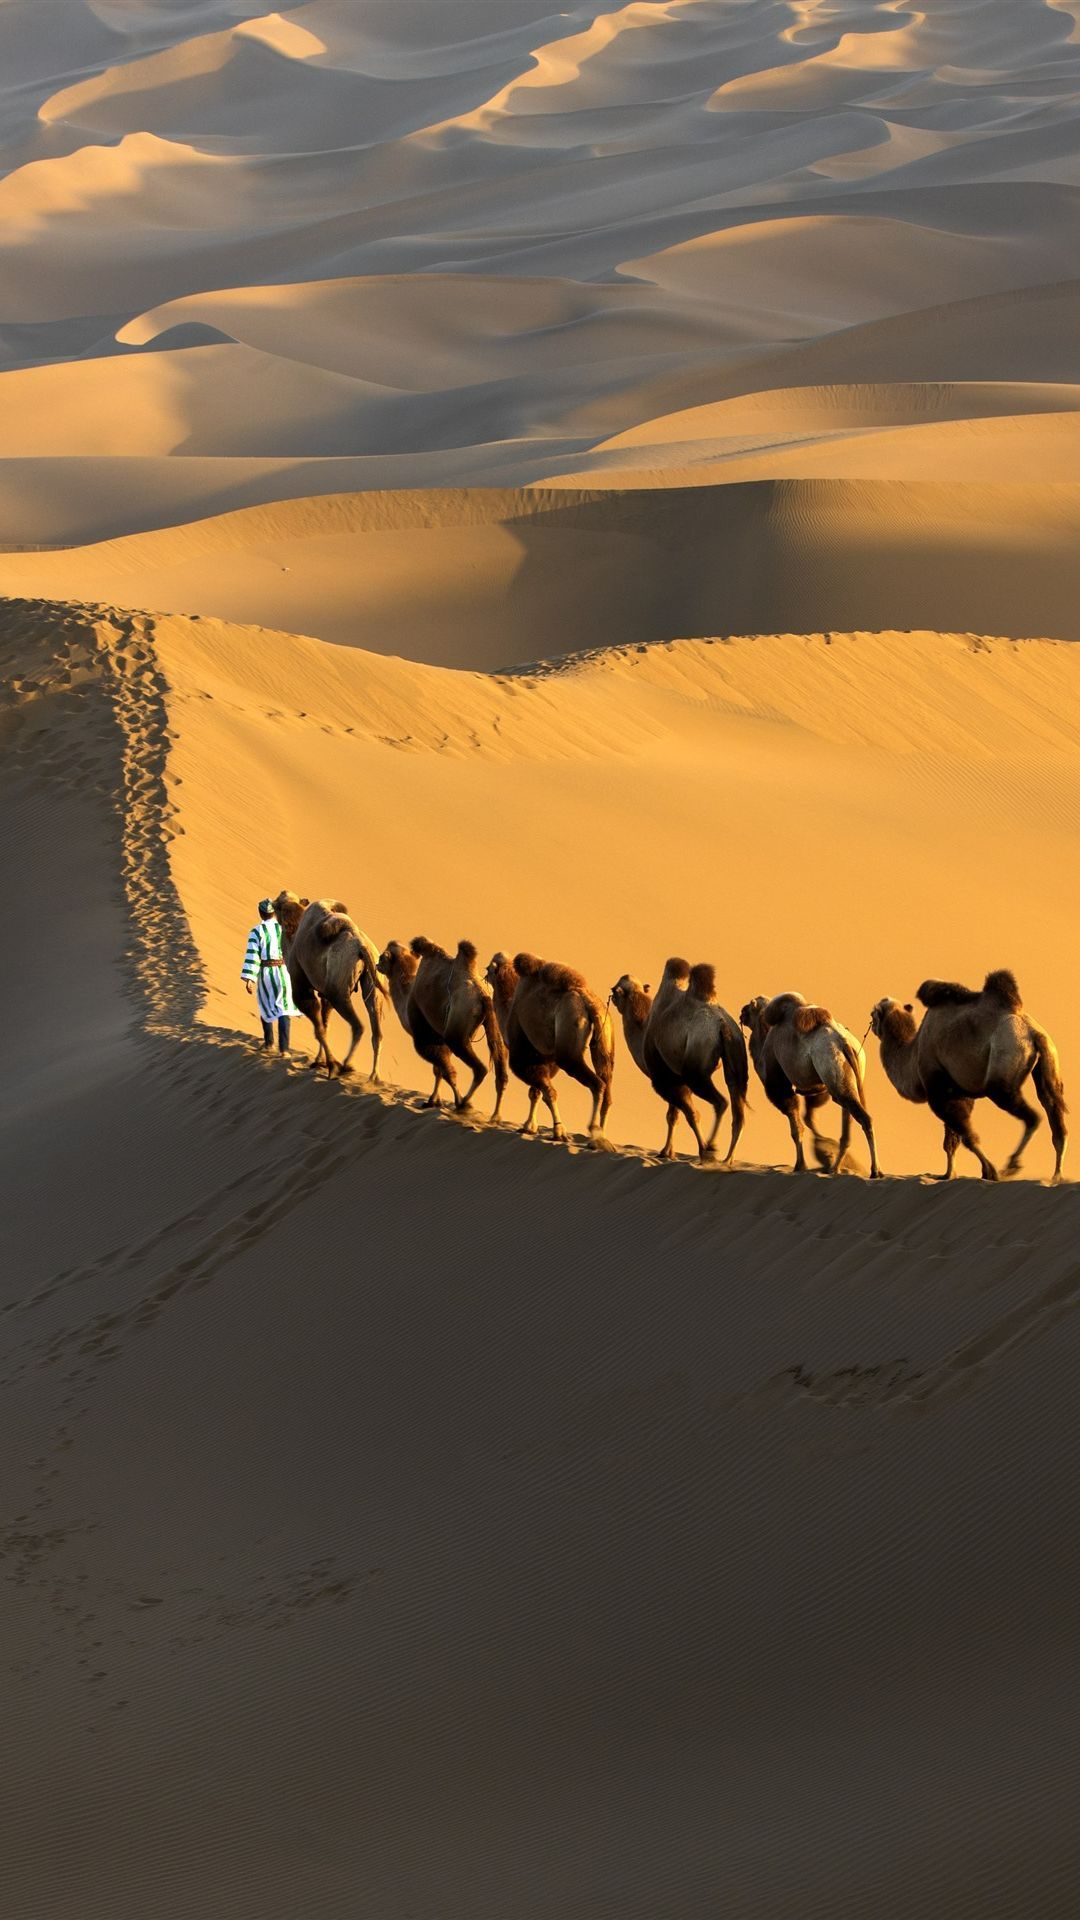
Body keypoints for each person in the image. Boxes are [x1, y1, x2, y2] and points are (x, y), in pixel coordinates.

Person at [242, 897, 299, 1055]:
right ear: (275, 913)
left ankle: (268, 1044)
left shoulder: (256, 931)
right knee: (284, 1009)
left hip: (266, 973)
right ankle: (284, 1050)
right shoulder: (285, 928)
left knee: (265, 1006)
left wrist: (250, 979)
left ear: (260, 913)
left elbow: (253, 955)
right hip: (284, 971)